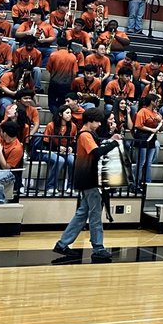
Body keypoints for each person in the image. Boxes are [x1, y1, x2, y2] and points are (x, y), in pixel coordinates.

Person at [52, 108, 120, 261]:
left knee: (82, 213)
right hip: (89, 179)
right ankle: (98, 247)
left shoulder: (87, 134)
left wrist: (110, 138)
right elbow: (96, 153)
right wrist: (114, 143)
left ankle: (62, 244)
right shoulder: (85, 135)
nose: (99, 124)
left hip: (86, 178)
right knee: (95, 213)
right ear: (90, 121)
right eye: (97, 121)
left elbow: (97, 146)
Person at [132, 93, 163, 194]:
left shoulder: (156, 113)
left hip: (152, 139)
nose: (158, 103)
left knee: (148, 163)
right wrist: (151, 129)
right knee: (141, 163)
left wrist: (161, 122)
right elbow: (138, 125)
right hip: (142, 138)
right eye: (157, 101)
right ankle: (135, 184)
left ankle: (146, 183)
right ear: (152, 101)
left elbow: (160, 129)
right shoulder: (142, 111)